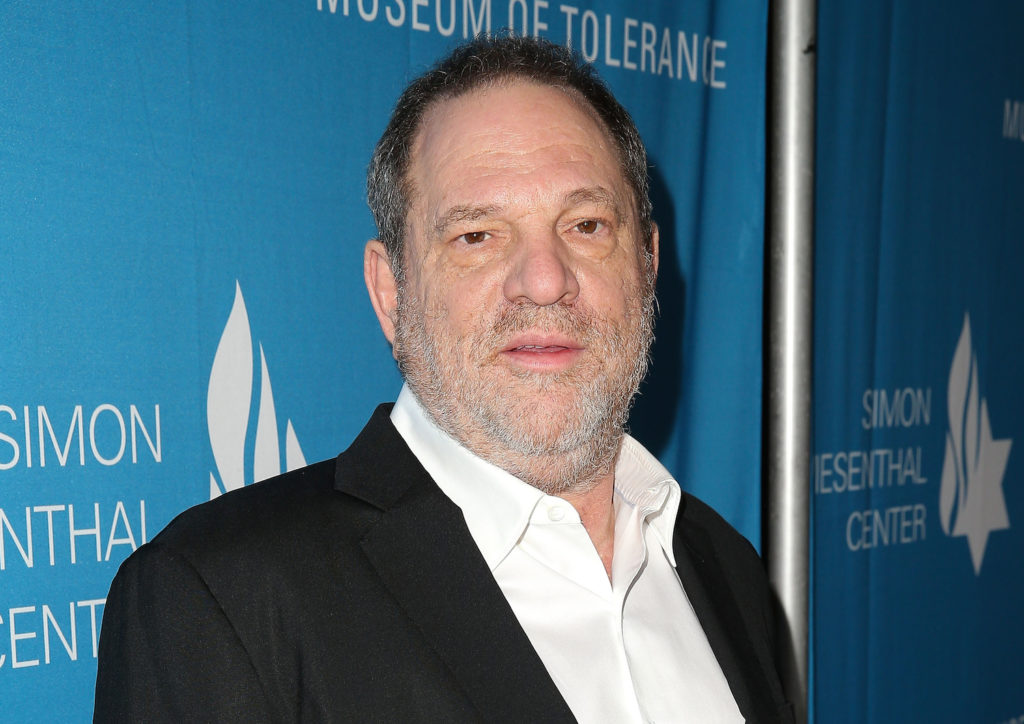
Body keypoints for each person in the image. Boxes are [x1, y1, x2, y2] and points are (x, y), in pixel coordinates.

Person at [94, 34, 792, 723]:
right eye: (476, 236)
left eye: (585, 225)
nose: (544, 281)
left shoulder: (722, 564)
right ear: (391, 293)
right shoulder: (223, 599)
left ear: (645, 263)